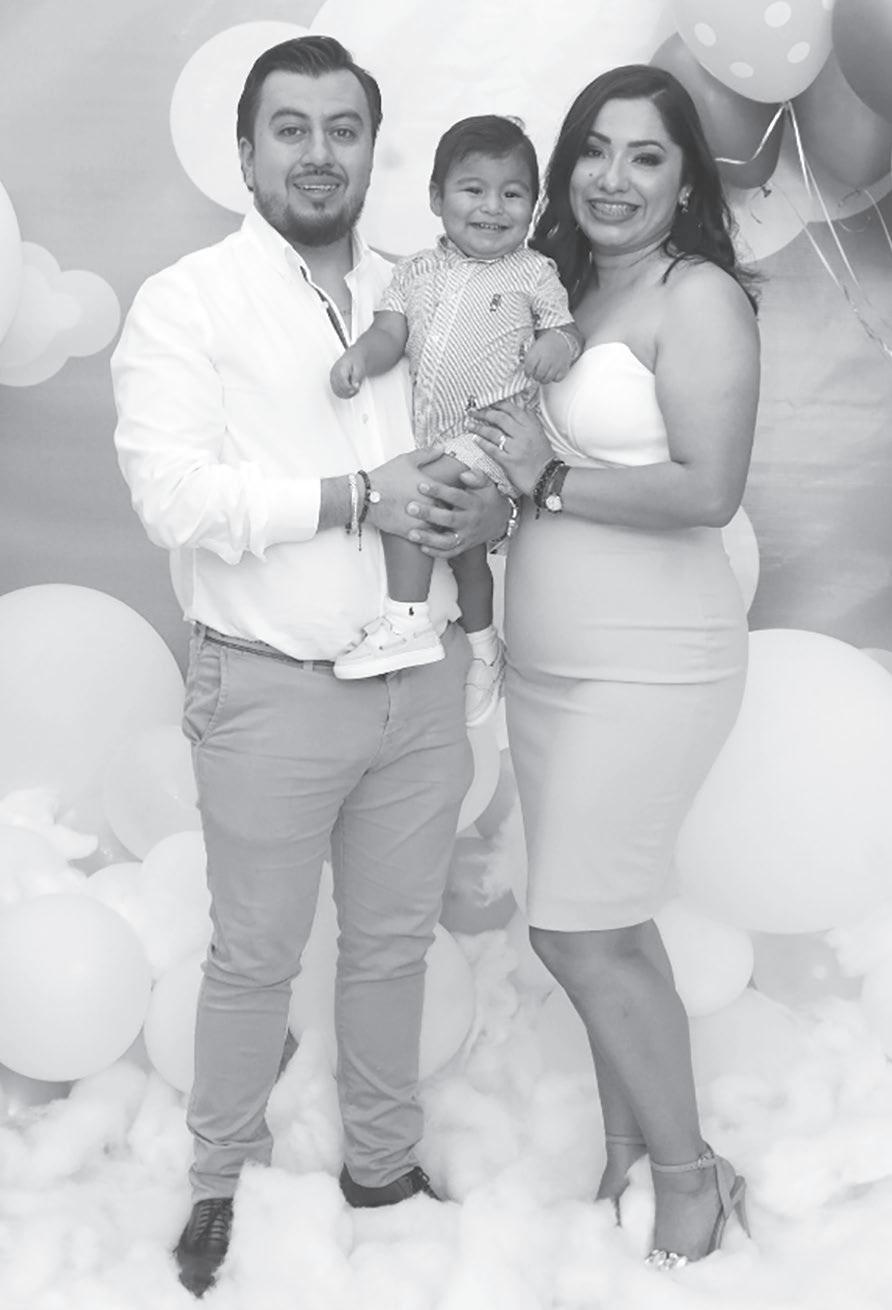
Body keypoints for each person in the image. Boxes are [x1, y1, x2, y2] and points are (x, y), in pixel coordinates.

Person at [111, 35, 510, 1299]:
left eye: (343, 128)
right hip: (269, 685)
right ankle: (219, 1178)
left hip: (422, 677)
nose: (319, 152)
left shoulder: (429, 290)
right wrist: (353, 495)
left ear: (373, 149)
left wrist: (485, 508)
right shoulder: (188, 301)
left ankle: (381, 1168)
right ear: (246, 153)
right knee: (254, 957)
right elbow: (174, 495)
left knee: (391, 944)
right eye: (291, 128)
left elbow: (487, 437)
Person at [471, 64, 760, 1268]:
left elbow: (708, 487)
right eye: (594, 148)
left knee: (575, 932)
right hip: (549, 669)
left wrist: (542, 474)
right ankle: (628, 1151)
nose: (612, 176)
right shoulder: (562, 286)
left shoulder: (697, 297)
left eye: (646, 155)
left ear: (685, 180)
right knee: (612, 920)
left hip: (651, 668)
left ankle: (692, 1180)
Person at [329, 114, 581, 728]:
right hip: (436, 435)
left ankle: (405, 619)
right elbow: (390, 333)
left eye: (513, 193)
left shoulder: (534, 272)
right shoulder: (414, 272)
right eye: (473, 189)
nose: (493, 207)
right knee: (465, 554)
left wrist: (558, 345)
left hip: (494, 434)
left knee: (406, 497)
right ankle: (485, 648)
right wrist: (361, 355)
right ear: (437, 197)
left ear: (532, 204)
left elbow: (566, 327)